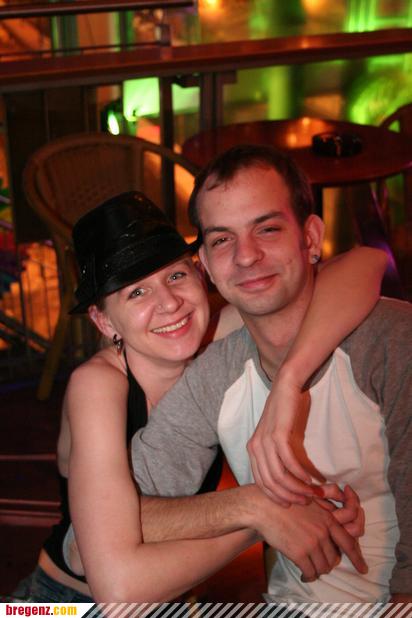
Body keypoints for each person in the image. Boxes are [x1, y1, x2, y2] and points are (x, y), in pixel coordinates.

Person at [15, 187, 383, 603]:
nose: (169, 304)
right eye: (136, 292)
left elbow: (367, 263)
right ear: (104, 321)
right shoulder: (97, 386)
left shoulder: (217, 335)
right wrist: (262, 514)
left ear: (200, 274)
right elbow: (117, 591)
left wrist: (290, 379)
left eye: (175, 276)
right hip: (60, 603)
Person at [132, 145, 412, 603]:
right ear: (206, 265)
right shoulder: (218, 372)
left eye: (267, 228)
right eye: (223, 239)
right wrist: (254, 507)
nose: (246, 256)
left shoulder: (391, 344)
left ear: (310, 237)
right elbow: (122, 515)